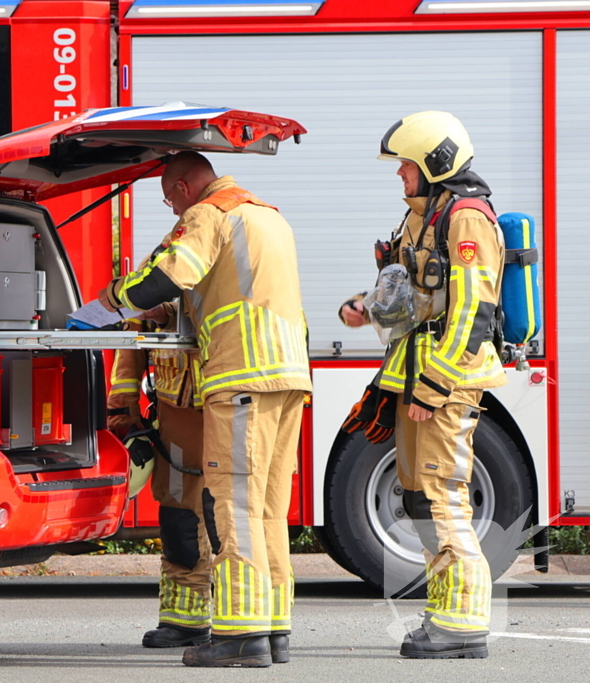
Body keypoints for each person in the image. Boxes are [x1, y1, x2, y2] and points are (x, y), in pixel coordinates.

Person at [98, 152, 311, 667]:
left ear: (185, 186)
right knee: (267, 509)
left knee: (230, 505)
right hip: (286, 378)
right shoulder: (268, 217)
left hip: (240, 378)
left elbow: (171, 275)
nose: (173, 211)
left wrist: (113, 298)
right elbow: (221, 292)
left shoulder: (209, 214)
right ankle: (273, 627)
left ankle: (240, 636)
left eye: (170, 199)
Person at [340, 111, 506, 659]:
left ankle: (463, 624)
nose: (399, 174)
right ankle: (446, 611)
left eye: (406, 164)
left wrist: (434, 385)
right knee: (419, 498)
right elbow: (408, 294)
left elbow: (473, 312)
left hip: (445, 382)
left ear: (435, 164)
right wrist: (364, 306)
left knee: (442, 495)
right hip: (414, 376)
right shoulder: (422, 216)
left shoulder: (466, 218)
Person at [107, 257, 211, 648]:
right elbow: (131, 348)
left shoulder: (232, 256)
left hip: (229, 405)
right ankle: (185, 619)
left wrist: (166, 313)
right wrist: (122, 409)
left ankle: (243, 623)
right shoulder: (163, 260)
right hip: (177, 412)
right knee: (179, 516)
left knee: (233, 518)